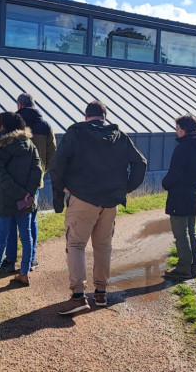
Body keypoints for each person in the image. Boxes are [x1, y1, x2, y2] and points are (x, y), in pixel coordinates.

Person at [50, 100, 147, 314]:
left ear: (86, 116)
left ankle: (78, 296)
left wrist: (62, 186)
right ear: (105, 116)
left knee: (76, 245)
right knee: (103, 246)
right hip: (110, 201)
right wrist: (124, 188)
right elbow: (141, 163)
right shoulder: (119, 136)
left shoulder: (75, 133)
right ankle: (101, 293)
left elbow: (56, 163)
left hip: (82, 198)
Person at [0, 112, 42, 287]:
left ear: (3, 126)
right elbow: (37, 170)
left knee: (2, 238)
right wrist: (27, 194)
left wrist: (18, 193)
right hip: (26, 201)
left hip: (4, 199)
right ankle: (24, 273)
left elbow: (0, 175)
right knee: (27, 237)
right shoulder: (30, 145)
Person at [0, 93, 57, 273]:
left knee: (10, 220)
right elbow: (52, 153)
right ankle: (30, 259)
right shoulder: (46, 126)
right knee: (30, 220)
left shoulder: (12, 123)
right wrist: (40, 174)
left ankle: (9, 261)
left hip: (13, 181)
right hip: (34, 182)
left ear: (19, 105)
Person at [162, 114, 196, 280]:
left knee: (181, 233)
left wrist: (165, 183)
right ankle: (193, 266)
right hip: (195, 192)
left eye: (178, 129)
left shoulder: (183, 148)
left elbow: (174, 173)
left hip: (180, 196)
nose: (176, 132)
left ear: (185, 129)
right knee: (192, 231)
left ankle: (183, 268)